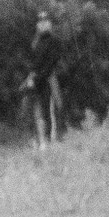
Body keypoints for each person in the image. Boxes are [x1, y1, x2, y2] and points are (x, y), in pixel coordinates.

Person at [26, 11, 64, 148]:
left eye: (46, 21)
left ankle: (52, 138)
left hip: (49, 77)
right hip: (36, 78)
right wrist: (32, 76)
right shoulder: (35, 41)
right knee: (34, 109)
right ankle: (37, 139)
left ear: (50, 23)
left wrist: (40, 76)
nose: (43, 23)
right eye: (41, 21)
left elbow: (52, 62)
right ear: (38, 24)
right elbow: (32, 61)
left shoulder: (55, 41)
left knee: (53, 107)